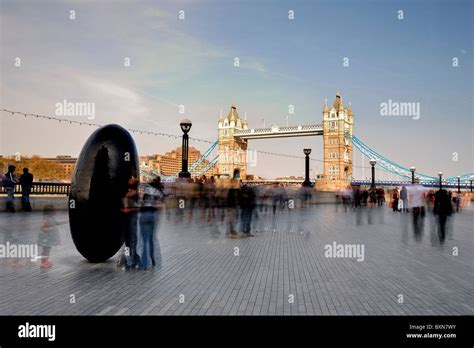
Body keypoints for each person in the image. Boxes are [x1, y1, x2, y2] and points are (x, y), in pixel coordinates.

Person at [139, 176, 164, 270]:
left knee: (144, 240)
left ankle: (144, 263)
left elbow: (139, 202)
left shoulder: (144, 189)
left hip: (144, 215)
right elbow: (159, 207)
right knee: (151, 238)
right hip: (153, 215)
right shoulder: (158, 192)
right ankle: (153, 259)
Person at [118, 177, 140, 269]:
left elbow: (127, 209)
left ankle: (129, 260)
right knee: (132, 240)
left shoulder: (129, 194)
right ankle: (131, 259)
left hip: (128, 220)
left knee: (128, 241)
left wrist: (125, 209)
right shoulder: (136, 194)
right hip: (131, 221)